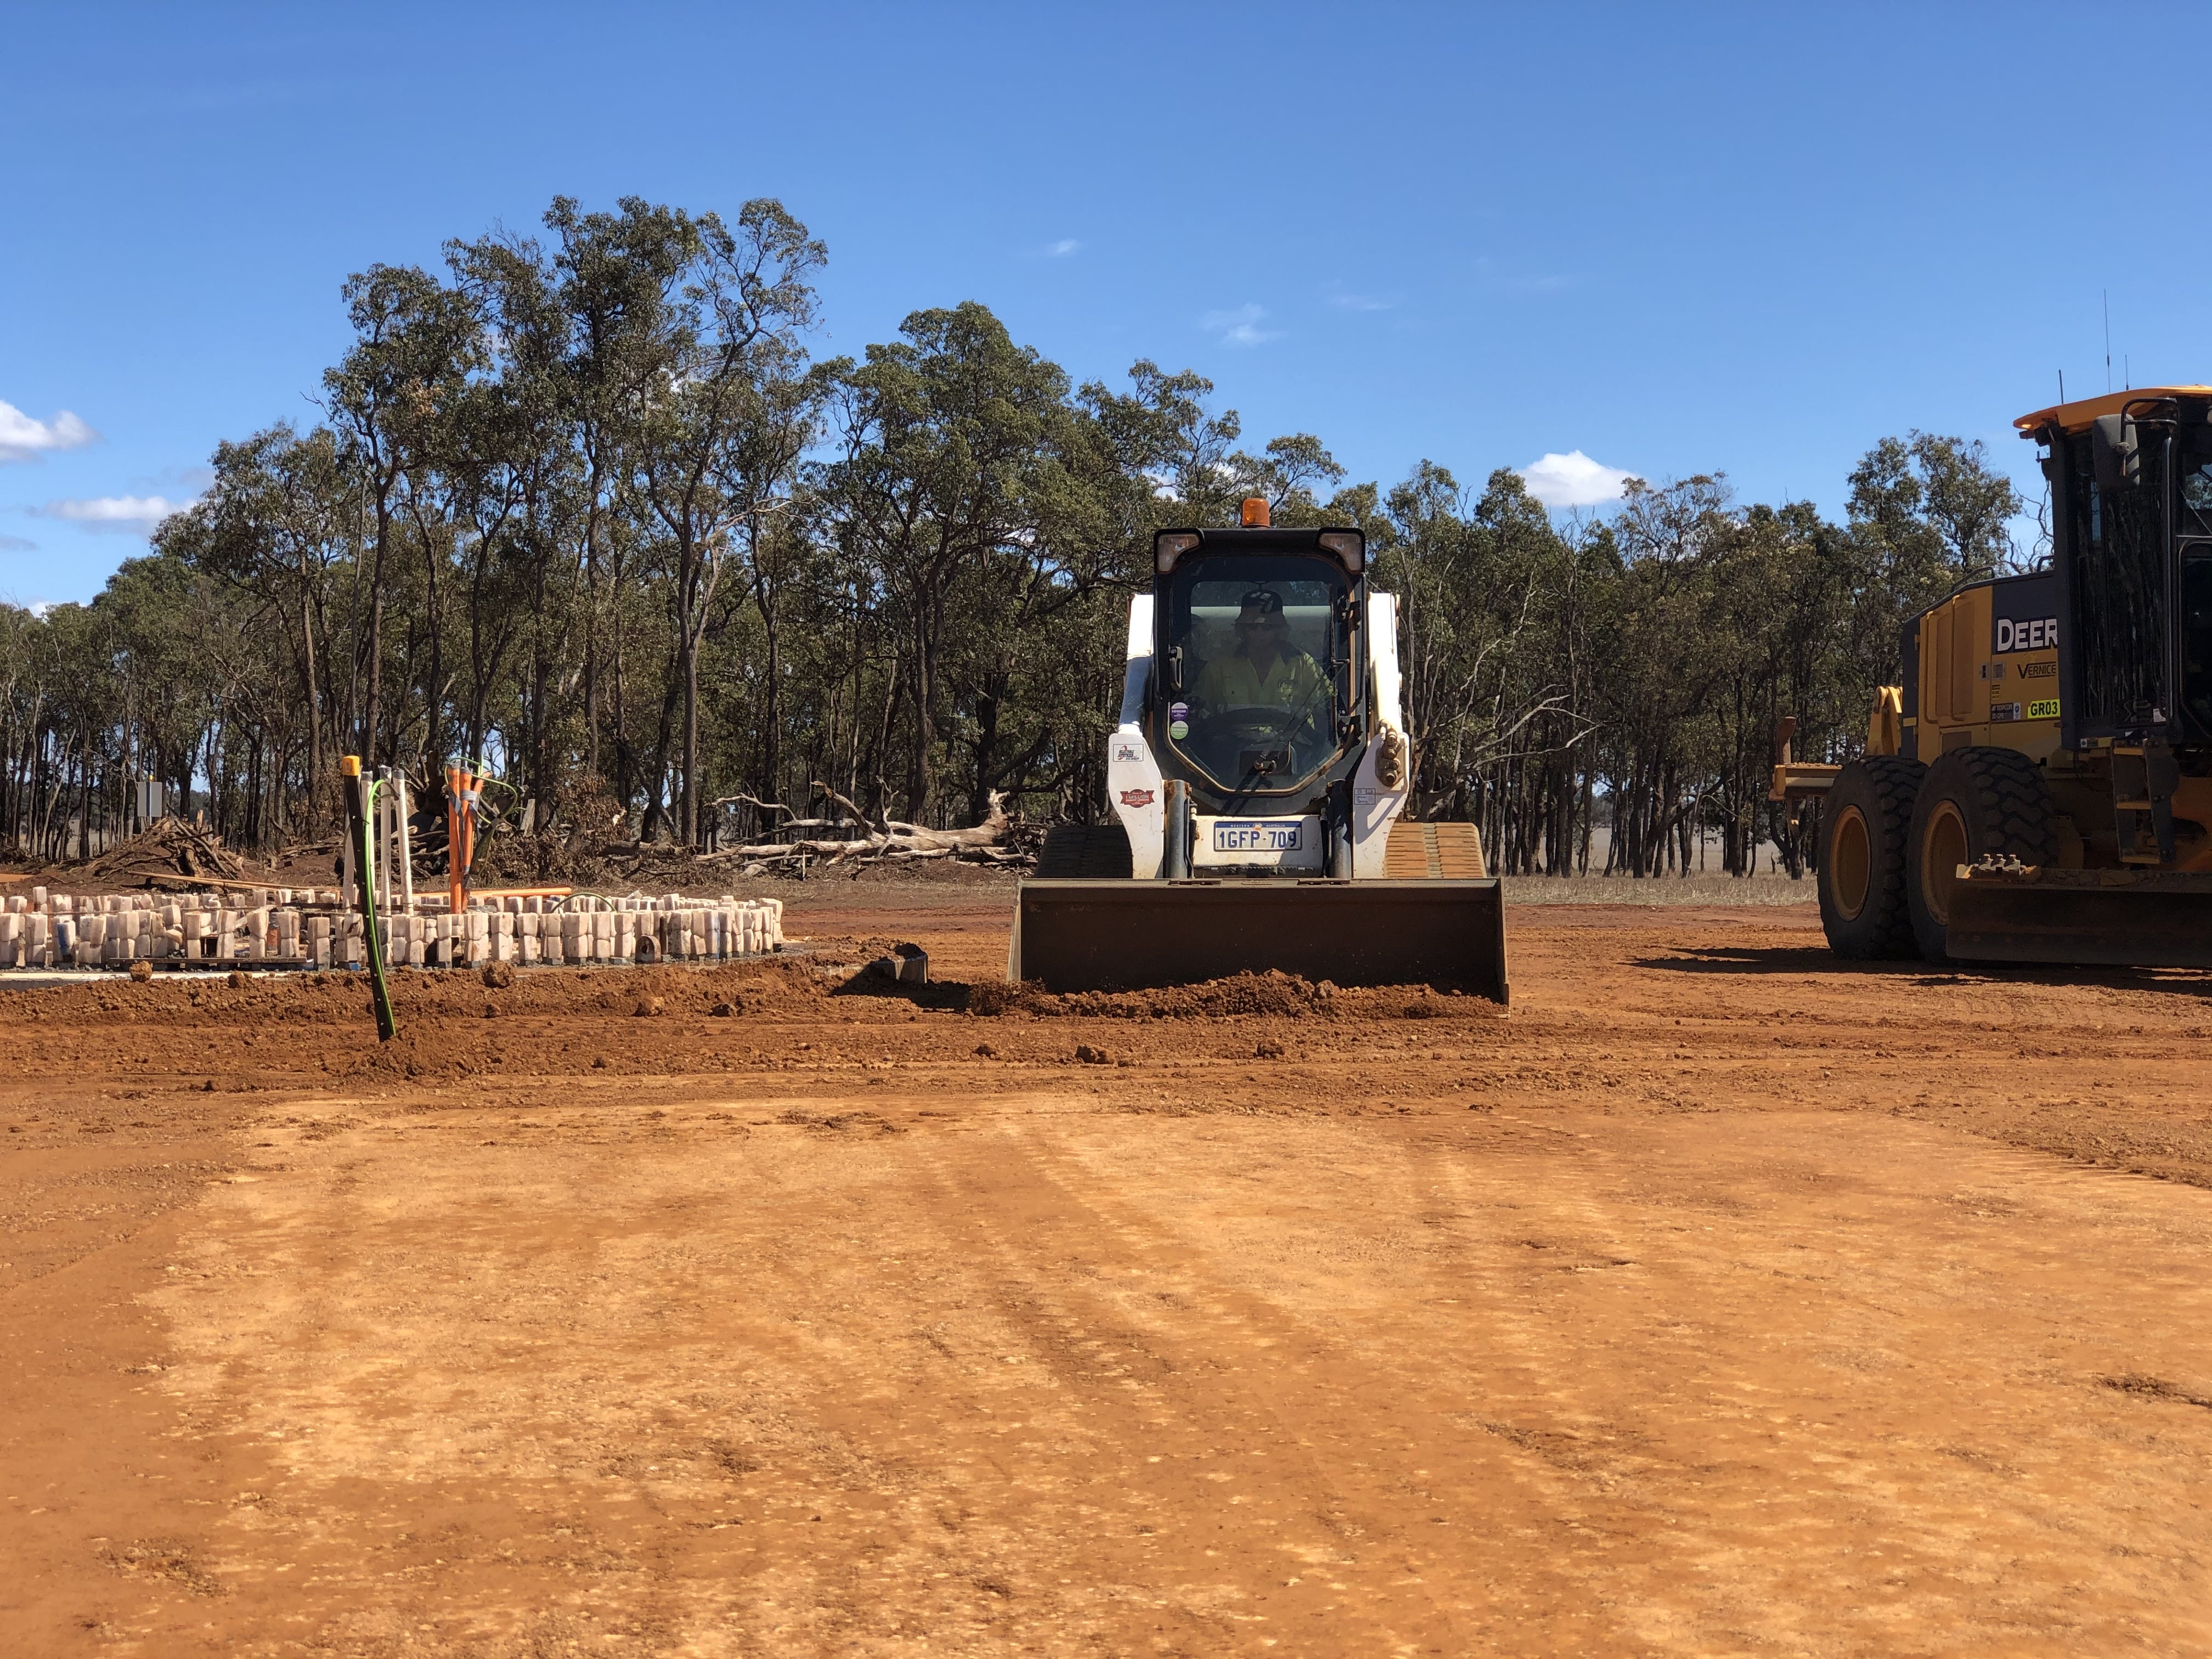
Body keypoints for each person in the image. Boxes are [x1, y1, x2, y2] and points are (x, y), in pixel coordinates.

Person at [1191, 589, 1327, 720]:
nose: (1259, 633)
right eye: (1253, 627)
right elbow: (1198, 710)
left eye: (1267, 627)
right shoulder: (1219, 667)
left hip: (1291, 742)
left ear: (1279, 629)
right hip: (1234, 741)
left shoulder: (1302, 664)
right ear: (1243, 628)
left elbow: (1328, 704)